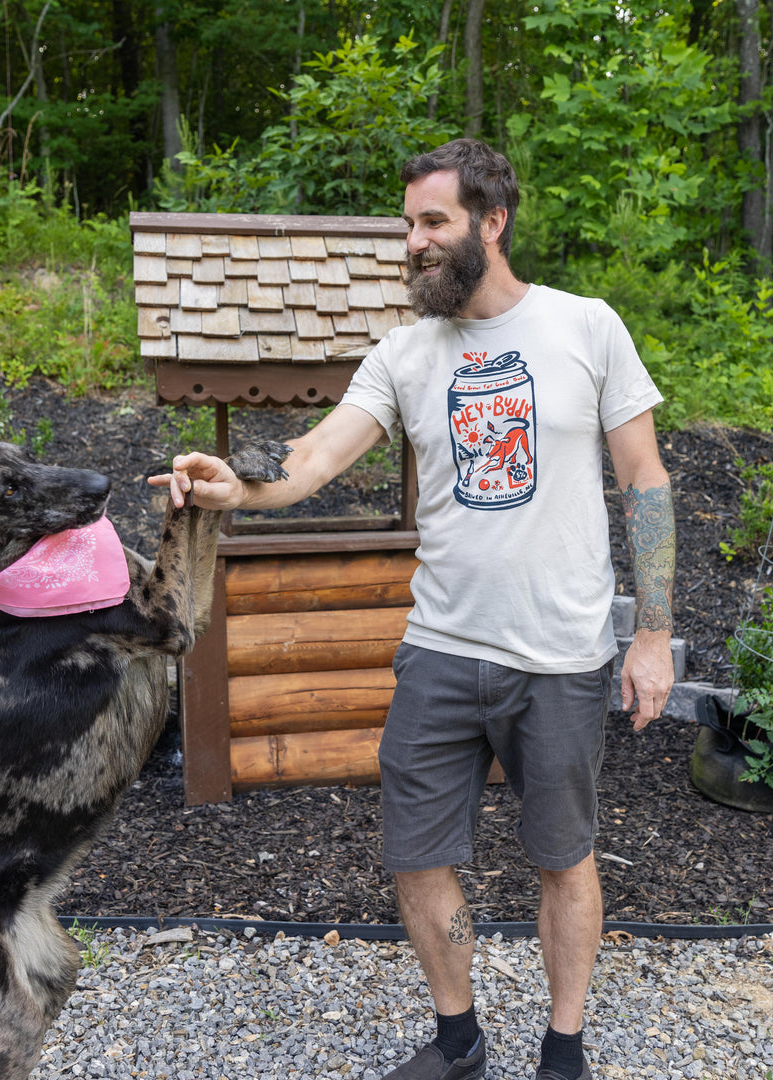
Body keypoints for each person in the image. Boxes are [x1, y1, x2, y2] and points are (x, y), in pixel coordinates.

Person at [148, 138, 676, 1080]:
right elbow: (313, 459)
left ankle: (564, 1047)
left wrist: (655, 634)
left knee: (564, 856)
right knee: (417, 854)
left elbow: (646, 480)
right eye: (408, 225)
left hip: (560, 654)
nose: (414, 242)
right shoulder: (404, 353)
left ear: (492, 222)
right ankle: (459, 1039)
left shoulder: (587, 327)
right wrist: (239, 485)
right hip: (439, 650)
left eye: (434, 221)